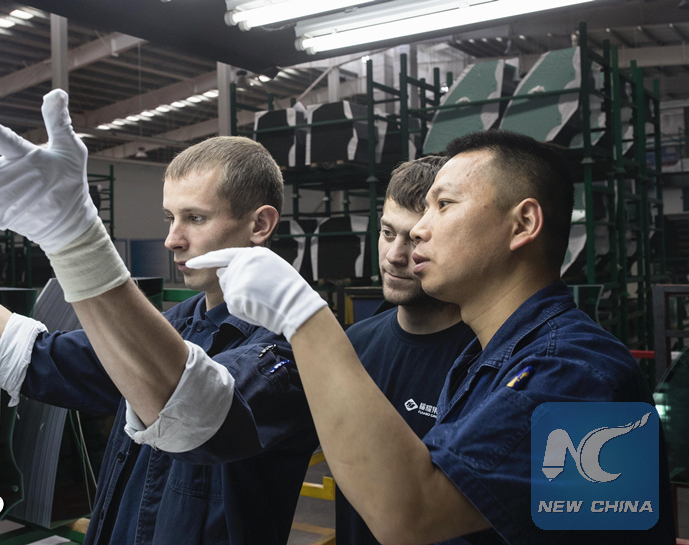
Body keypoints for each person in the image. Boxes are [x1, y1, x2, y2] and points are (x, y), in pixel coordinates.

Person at [0, 89, 318, 545]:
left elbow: (194, 412)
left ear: (260, 224)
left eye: (196, 218)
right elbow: (31, 356)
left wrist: (74, 237)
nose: (172, 240)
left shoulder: (292, 347)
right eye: (170, 218)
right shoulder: (178, 325)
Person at [188, 129, 676, 544]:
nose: (418, 231)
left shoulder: (577, 374)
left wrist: (305, 317)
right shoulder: (486, 359)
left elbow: (410, 514)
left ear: (523, 224)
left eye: (444, 205)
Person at [335, 156, 476, 545]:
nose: (394, 256)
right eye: (387, 232)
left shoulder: (488, 358)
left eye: (415, 239)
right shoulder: (353, 344)